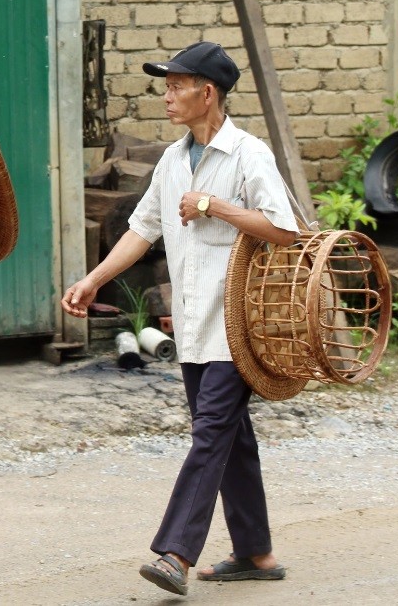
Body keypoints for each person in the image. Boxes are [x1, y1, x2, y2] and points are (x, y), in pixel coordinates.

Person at [61, 42, 296, 596]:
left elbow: (283, 230)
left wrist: (214, 206)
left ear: (206, 93)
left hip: (241, 325)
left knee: (211, 432)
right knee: (230, 436)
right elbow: (143, 231)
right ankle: (256, 552)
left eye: (175, 86)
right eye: (166, 86)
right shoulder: (173, 159)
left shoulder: (248, 155)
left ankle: (175, 554)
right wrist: (93, 280)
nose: (166, 96)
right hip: (194, 325)